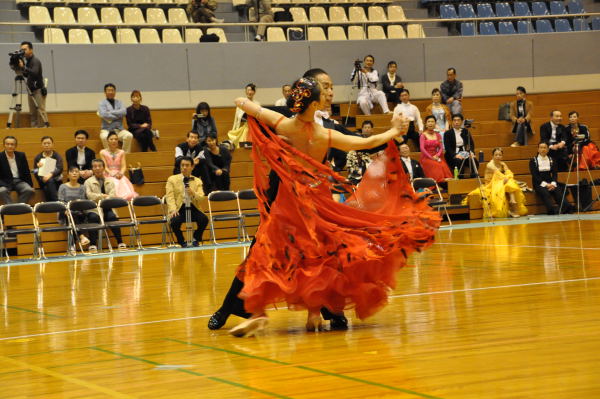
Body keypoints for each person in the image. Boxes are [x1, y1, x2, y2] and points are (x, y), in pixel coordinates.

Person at [226, 76, 439, 338]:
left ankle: (259, 313)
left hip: (288, 202)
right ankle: (313, 314)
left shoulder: (282, 124)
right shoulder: (323, 134)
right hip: (316, 200)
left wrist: (248, 104)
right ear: (314, 104)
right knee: (318, 255)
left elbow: (246, 105)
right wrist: (395, 131)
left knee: (269, 253)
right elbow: (364, 143)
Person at [209, 68, 360, 333]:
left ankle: (331, 311)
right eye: (325, 86)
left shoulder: (332, 126)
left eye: (331, 86)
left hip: (316, 206)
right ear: (311, 91)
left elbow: (356, 142)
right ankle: (229, 307)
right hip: (282, 203)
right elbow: (259, 129)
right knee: (260, 254)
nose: (330, 92)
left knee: (324, 258)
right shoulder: (287, 120)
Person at [465, 148, 527, 218]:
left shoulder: (502, 164)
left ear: (502, 156)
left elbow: (509, 173)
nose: (498, 156)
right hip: (490, 185)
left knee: (510, 181)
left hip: (499, 181)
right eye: (496, 155)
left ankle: (512, 201)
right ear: (493, 156)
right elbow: (498, 174)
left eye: (500, 155)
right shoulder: (490, 165)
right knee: (508, 182)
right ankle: (513, 205)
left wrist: (507, 177)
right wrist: (506, 178)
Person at [165, 156, 209, 247]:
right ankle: (181, 241)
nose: (184, 167)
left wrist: (193, 193)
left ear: (192, 167)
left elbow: (201, 197)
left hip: (193, 207)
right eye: (182, 165)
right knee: (174, 221)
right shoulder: (172, 179)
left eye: (187, 165)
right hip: (179, 207)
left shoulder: (197, 181)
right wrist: (173, 210)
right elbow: (170, 196)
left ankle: (195, 238)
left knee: (204, 219)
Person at [84, 159, 127, 252]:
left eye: (99, 166)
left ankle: (120, 242)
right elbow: (89, 195)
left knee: (112, 217)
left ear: (103, 168)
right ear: (92, 169)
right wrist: (102, 196)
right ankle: (93, 244)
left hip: (108, 207)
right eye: (95, 166)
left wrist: (103, 198)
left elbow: (112, 195)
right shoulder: (88, 182)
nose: (97, 168)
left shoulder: (110, 181)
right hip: (94, 208)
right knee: (92, 218)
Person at [529, 142, 574, 215]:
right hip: (539, 183)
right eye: (541, 147)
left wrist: (553, 183)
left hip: (550, 181)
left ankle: (566, 208)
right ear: (538, 149)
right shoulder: (533, 161)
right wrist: (546, 185)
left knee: (558, 191)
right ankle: (551, 210)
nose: (543, 149)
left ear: (548, 150)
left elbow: (554, 174)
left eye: (545, 148)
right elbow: (535, 176)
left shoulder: (551, 159)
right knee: (545, 193)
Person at [58, 166, 93, 248]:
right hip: (65, 212)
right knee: (70, 215)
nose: (74, 173)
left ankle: (72, 245)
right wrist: (67, 209)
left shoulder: (82, 187)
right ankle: (81, 237)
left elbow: (82, 201)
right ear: (68, 175)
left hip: (79, 212)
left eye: (76, 171)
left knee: (73, 217)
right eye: (72, 171)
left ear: (79, 175)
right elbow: (61, 201)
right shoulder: (62, 187)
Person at [99, 131, 138, 201]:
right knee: (113, 182)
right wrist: (112, 173)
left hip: (119, 173)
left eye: (116, 139)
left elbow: (123, 166)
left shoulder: (121, 152)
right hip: (108, 173)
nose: (114, 141)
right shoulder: (102, 152)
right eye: (111, 139)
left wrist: (121, 173)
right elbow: (104, 166)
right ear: (107, 141)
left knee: (126, 189)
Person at [18, 41, 48, 128]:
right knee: (33, 112)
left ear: (31, 50)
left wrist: (23, 67)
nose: (23, 51)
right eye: (21, 49)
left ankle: (44, 129)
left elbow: (34, 73)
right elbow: (27, 75)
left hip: (38, 90)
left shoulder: (35, 61)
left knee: (40, 111)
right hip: (31, 90)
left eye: (25, 49)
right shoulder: (27, 61)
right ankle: (34, 129)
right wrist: (22, 68)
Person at [98, 83, 133, 153]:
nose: (111, 92)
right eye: (108, 90)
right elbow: (104, 114)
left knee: (129, 135)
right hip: (106, 129)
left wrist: (110, 112)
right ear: (105, 92)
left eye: (112, 90)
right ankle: (110, 155)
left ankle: (124, 155)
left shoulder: (120, 102)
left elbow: (124, 112)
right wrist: (118, 115)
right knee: (104, 137)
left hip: (119, 130)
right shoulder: (101, 103)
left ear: (115, 92)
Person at [0, 136, 34, 204]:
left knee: (29, 190)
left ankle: (19, 206)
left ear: (15, 146)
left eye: (12, 144)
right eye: (7, 144)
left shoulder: (21, 155)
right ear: (4, 145)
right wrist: (4, 185)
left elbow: (26, 171)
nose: (10, 146)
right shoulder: (0, 156)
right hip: (5, 182)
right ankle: (10, 208)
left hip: (19, 181)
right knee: (2, 191)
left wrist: (30, 185)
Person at [443, 113, 478, 178]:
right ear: (452, 121)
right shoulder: (447, 133)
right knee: (458, 161)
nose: (456, 122)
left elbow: (471, 144)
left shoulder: (465, 131)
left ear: (461, 121)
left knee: (474, 161)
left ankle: (473, 178)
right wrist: (455, 155)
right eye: (454, 120)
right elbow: (447, 147)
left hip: (464, 153)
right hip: (452, 154)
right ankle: (460, 179)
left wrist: (471, 152)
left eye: (458, 120)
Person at [420, 115, 452, 183]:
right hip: (426, 157)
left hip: (436, 156)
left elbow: (441, 147)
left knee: (442, 165)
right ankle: (438, 181)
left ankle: (446, 181)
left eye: (432, 121)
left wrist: (437, 155)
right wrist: (431, 157)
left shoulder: (438, 135)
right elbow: (422, 148)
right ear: (426, 124)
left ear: (435, 124)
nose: (430, 123)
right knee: (435, 165)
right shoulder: (423, 135)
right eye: (429, 122)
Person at [33, 136, 64, 202]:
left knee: (48, 186)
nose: (46, 145)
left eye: (48, 143)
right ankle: (56, 202)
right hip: (43, 181)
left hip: (56, 181)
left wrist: (50, 175)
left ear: (52, 144)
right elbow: (35, 171)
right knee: (48, 183)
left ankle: (51, 204)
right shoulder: (38, 157)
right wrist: (39, 169)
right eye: (44, 143)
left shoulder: (57, 156)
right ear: (41, 145)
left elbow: (59, 169)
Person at [228, 83, 259, 147]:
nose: (250, 92)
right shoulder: (241, 103)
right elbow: (237, 119)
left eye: (251, 90)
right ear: (245, 91)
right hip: (243, 128)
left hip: (254, 128)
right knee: (242, 145)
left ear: (254, 92)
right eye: (248, 90)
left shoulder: (257, 104)